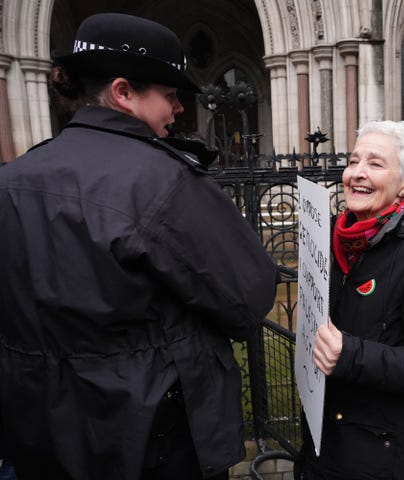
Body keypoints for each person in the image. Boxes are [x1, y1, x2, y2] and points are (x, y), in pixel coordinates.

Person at [0, 13, 278, 480]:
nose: (179, 109)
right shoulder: (160, 180)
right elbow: (248, 296)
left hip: (37, 433)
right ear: (123, 92)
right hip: (146, 438)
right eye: (169, 96)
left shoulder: (10, 180)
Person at [295, 120, 404, 480]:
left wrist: (350, 354)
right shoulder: (336, 236)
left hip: (386, 455)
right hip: (330, 436)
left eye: (375, 164)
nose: (357, 173)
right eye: (354, 160)